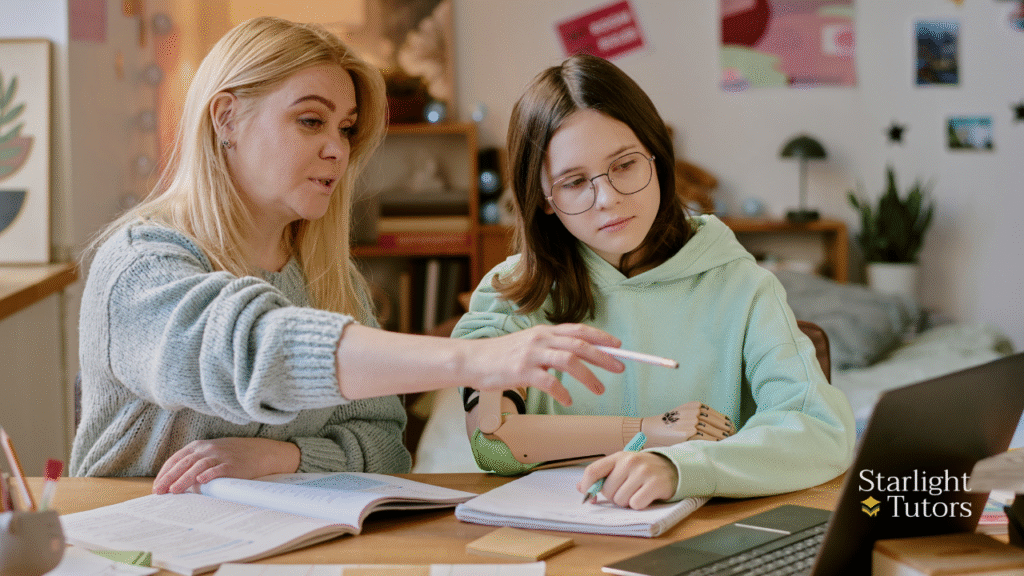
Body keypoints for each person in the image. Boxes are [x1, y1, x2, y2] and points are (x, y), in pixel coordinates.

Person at [70, 17, 626, 493]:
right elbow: (252, 351)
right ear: (226, 119)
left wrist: (279, 459)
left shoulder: (329, 277)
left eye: (346, 127)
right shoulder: (141, 262)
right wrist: (473, 358)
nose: (337, 148)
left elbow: (386, 446)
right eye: (310, 120)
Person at [456, 54, 856, 510]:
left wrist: (680, 467)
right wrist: (649, 430)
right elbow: (494, 444)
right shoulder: (508, 295)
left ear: (657, 157)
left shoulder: (742, 285)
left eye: (625, 165)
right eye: (573, 181)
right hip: (551, 538)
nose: (607, 198)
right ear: (544, 198)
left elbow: (821, 431)